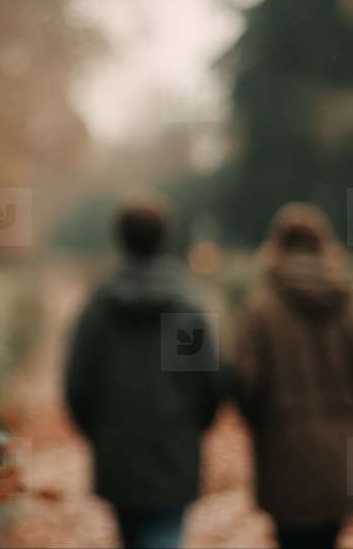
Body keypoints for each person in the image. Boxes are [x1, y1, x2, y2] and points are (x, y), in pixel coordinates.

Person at [65, 194, 223, 549]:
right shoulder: (186, 305)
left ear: (119, 238)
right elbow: (208, 384)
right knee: (163, 535)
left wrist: (102, 431)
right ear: (166, 238)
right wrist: (189, 427)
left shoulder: (99, 306)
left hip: (118, 451)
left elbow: (78, 385)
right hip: (173, 449)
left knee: (133, 536)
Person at [234, 203, 353, 549]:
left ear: (276, 247)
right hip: (340, 455)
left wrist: (264, 424)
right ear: (325, 245)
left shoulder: (261, 307)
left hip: (283, 452)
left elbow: (245, 382)